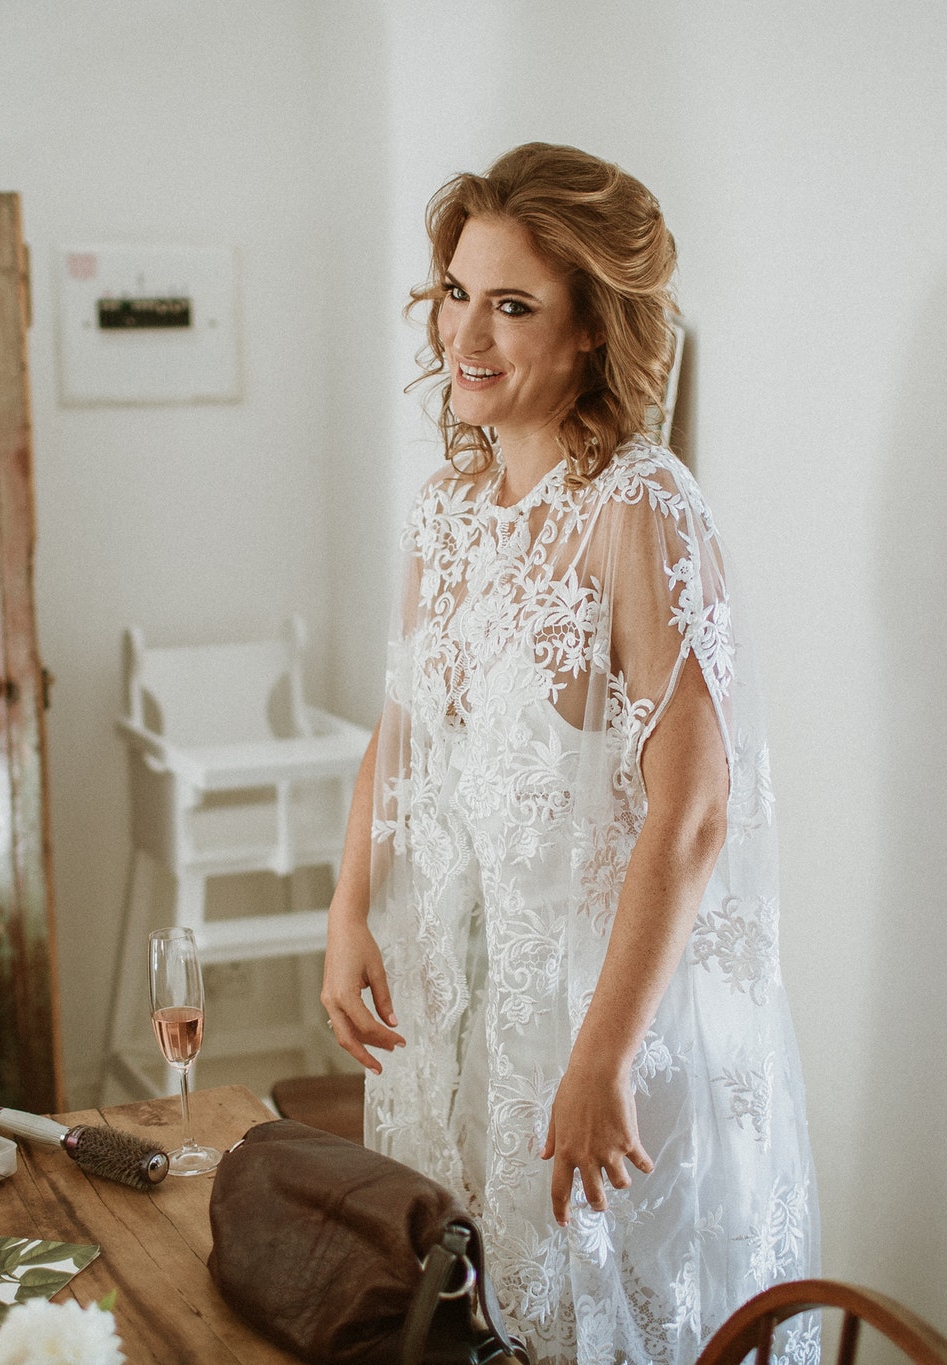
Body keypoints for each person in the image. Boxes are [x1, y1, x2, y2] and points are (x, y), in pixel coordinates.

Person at [321, 145, 817, 1363]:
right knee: (463, 1321)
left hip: (610, 1029)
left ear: (592, 328)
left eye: (511, 305)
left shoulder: (640, 509)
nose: (465, 337)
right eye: (454, 293)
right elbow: (402, 728)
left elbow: (689, 813)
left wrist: (600, 1058)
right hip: (467, 1011)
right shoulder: (447, 501)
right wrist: (345, 914)